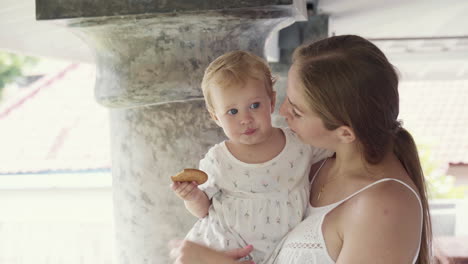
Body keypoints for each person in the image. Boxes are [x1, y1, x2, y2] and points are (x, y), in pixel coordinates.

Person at [169, 35, 433, 264]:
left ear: (344, 133)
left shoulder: (385, 209)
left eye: (296, 111)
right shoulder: (315, 163)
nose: (281, 112)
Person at [171, 50, 332, 264]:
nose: (245, 119)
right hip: (221, 246)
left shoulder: (299, 143)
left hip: (278, 253)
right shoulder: (218, 159)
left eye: (254, 106)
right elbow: (202, 211)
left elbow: (335, 146)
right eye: (232, 112)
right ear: (215, 117)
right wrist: (191, 197)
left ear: (272, 100)